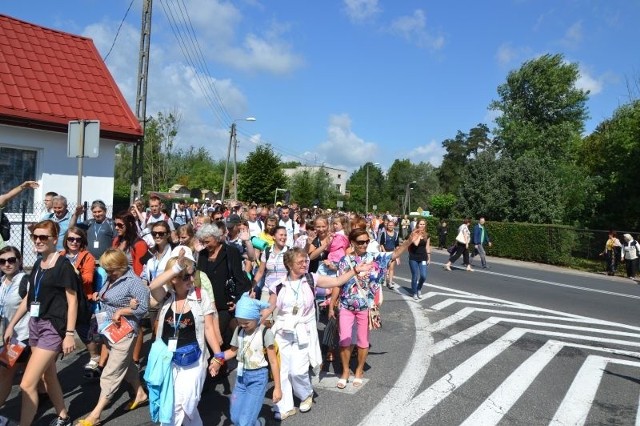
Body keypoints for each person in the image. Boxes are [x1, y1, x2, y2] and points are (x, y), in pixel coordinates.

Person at [265, 247, 375, 420]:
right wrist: (252, 322)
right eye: (300, 262)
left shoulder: (311, 278)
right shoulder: (278, 285)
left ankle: (306, 394)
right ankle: (284, 406)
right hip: (282, 332)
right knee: (282, 371)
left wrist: (354, 270)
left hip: (303, 331)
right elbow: (269, 308)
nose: (304, 264)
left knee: (298, 371)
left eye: (305, 261)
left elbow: (338, 280)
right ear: (289, 265)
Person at [3, 220, 77, 426]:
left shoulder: (64, 266)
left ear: (55, 239)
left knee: (27, 384)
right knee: (49, 375)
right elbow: (29, 298)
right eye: (35, 237)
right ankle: (64, 416)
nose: (38, 240)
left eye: (43, 237)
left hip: (52, 328)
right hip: (34, 325)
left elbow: (73, 301)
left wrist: (69, 333)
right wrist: (12, 324)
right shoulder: (38, 263)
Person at [332, 228, 421, 391]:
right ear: (352, 243)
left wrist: (408, 241)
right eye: (360, 242)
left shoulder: (374, 257)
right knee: (344, 340)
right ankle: (345, 371)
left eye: (366, 241)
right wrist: (332, 303)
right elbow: (338, 282)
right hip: (346, 305)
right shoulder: (344, 261)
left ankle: (358, 370)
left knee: (363, 341)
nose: (364, 245)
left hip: (365, 307)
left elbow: (393, 255)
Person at [147, 249, 222, 425]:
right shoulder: (166, 295)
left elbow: (209, 328)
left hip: (193, 359)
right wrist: (176, 268)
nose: (191, 280)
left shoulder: (199, 295)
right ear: (174, 279)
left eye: (192, 275)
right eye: (186, 277)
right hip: (168, 359)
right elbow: (153, 286)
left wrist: (218, 357)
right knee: (174, 405)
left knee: (187, 402)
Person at [76, 249, 149, 426]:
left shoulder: (134, 283)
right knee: (127, 365)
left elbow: (143, 309)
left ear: (121, 265)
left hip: (125, 332)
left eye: (110, 269)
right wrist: (98, 296)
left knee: (111, 373)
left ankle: (95, 415)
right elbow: (108, 297)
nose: (107, 273)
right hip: (110, 331)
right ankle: (140, 393)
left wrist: (123, 310)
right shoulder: (113, 278)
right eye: (106, 269)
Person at [208, 293, 281, 426]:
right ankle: (258, 423)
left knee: (244, 422)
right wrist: (218, 358)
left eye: (246, 322)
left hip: (258, 378)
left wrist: (277, 387)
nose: (243, 325)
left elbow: (273, 361)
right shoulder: (239, 331)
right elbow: (232, 351)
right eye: (240, 322)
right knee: (235, 418)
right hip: (241, 378)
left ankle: (256, 422)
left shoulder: (265, 333)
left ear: (256, 317)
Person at [196, 223, 251, 347]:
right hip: (206, 305)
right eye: (203, 242)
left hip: (225, 306)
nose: (205, 245)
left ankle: (220, 363)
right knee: (210, 338)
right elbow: (199, 278)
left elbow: (239, 279)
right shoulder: (202, 254)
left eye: (207, 241)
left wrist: (237, 300)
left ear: (216, 238)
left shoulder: (231, 252)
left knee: (217, 338)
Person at [60, 226, 101, 377]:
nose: (74, 242)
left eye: (78, 240)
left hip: (81, 299)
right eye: (71, 239)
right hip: (62, 300)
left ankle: (95, 356)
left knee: (83, 330)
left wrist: (73, 273)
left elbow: (88, 279)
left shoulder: (86, 256)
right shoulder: (60, 255)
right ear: (66, 240)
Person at [0, 246, 30, 407]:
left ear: (19, 261)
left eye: (11, 260)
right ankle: (44, 395)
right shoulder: (2, 282)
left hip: (22, 336)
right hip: (8, 336)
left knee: (5, 371)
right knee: (41, 376)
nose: (7, 264)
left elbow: (32, 304)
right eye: (2, 261)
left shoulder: (24, 280)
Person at [252, 227, 289, 313]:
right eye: (281, 235)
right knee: (263, 319)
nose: (283, 237)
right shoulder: (267, 251)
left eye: (285, 235)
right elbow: (260, 272)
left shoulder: (289, 251)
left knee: (277, 321)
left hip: (283, 291)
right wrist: (252, 287)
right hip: (267, 290)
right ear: (273, 237)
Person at [112, 211, 149, 277]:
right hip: (114, 278)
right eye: (115, 225)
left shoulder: (140, 244)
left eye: (120, 225)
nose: (116, 228)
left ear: (130, 224)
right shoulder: (116, 241)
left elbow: (139, 272)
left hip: (130, 280)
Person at [408, 218, 431, 299]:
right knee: (415, 275)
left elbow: (427, 246)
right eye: (420, 224)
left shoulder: (427, 235)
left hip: (423, 257)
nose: (422, 226)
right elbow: (416, 243)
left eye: (423, 224)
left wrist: (429, 257)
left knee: (423, 276)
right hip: (413, 257)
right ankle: (414, 292)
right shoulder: (413, 233)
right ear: (417, 225)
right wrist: (419, 234)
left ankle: (419, 289)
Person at [378, 218, 400, 289]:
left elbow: (397, 245)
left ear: (394, 226)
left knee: (391, 268)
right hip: (385, 252)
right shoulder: (384, 233)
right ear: (387, 226)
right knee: (385, 267)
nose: (390, 226)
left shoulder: (396, 234)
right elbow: (381, 243)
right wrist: (384, 252)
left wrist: (397, 255)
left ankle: (390, 282)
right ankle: (384, 279)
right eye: (389, 225)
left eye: (392, 225)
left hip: (392, 252)